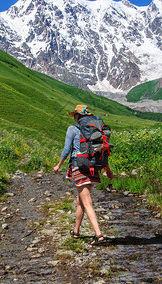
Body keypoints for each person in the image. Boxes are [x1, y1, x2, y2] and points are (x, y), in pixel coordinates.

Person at [53, 105, 113, 245]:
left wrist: (58, 165)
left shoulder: (72, 129)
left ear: (77, 116)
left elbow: (67, 149)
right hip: (93, 167)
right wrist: (107, 169)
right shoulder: (94, 130)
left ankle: (98, 235)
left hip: (79, 167)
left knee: (87, 203)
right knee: (80, 201)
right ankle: (76, 232)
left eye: (74, 115)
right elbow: (101, 150)